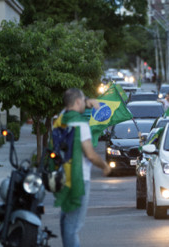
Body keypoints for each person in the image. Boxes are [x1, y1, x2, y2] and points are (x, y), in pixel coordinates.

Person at [58, 88, 111, 247]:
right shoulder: (80, 124)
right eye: (83, 100)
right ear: (78, 102)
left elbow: (70, 104)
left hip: (64, 177)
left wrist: (86, 102)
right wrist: (105, 166)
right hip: (78, 178)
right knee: (73, 226)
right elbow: (90, 154)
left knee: (66, 221)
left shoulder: (62, 118)